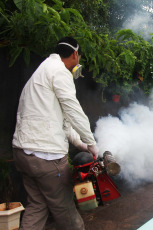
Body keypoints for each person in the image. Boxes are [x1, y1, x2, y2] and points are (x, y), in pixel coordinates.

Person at [12, 37, 98, 230]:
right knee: (65, 210)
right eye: (80, 56)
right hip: (46, 157)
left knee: (37, 205)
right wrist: (91, 142)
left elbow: (64, 122)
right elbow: (73, 109)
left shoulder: (43, 70)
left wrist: (82, 145)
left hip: (23, 153)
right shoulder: (60, 72)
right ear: (75, 54)